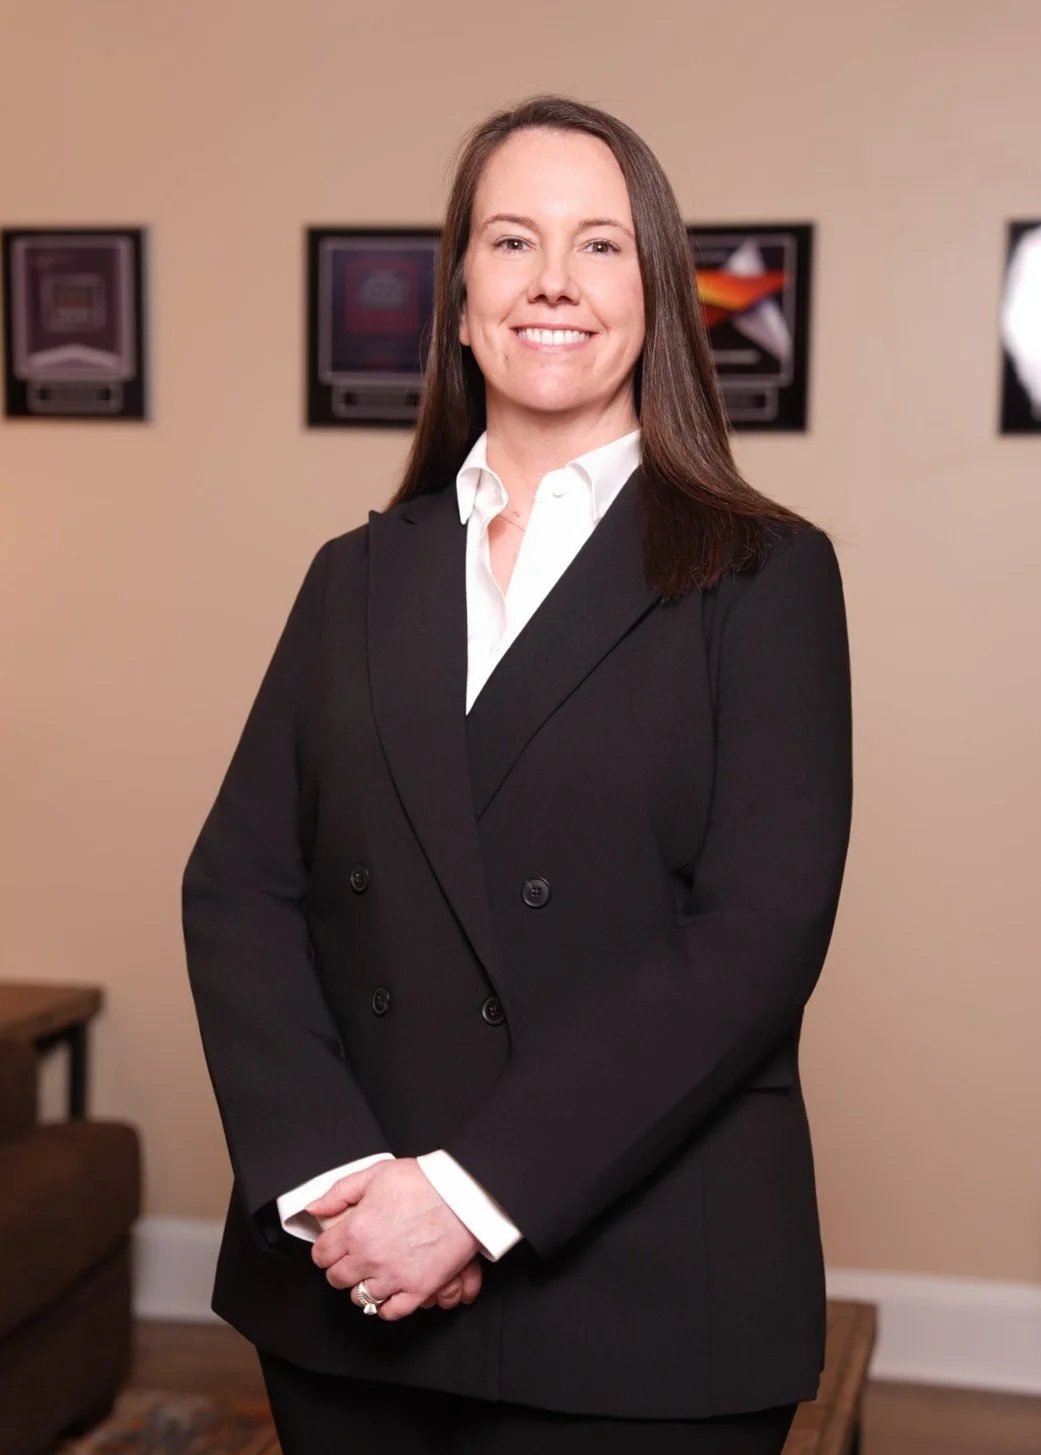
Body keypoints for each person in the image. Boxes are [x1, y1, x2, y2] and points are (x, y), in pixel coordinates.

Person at [182, 93, 853, 1455]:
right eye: (511, 240)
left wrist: (473, 1195)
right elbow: (239, 886)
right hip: (350, 1280)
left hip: (647, 1307)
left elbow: (753, 938)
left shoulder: (765, 575)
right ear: (460, 295)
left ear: (657, 295)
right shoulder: (354, 576)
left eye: (600, 245)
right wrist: (335, 1183)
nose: (553, 279)